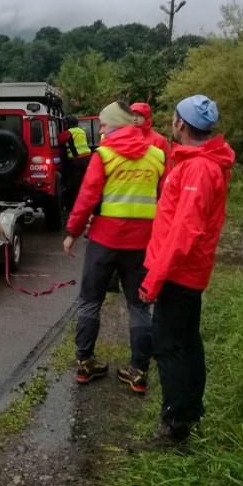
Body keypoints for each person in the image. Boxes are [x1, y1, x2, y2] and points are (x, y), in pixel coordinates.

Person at [138, 95, 235, 446]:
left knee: (169, 348)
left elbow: (184, 232)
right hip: (186, 272)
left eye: (173, 118)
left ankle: (175, 425)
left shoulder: (198, 168)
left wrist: (154, 278)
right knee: (188, 343)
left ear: (180, 124)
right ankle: (190, 412)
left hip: (178, 273)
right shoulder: (200, 161)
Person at [63, 101, 166, 393]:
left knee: (90, 300)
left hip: (103, 242)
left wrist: (72, 231)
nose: (102, 129)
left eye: (105, 124)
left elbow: (87, 197)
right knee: (139, 306)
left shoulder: (104, 155)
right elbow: (164, 200)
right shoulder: (157, 156)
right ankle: (138, 372)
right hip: (141, 244)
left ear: (116, 125)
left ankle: (85, 363)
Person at [58, 114, 92, 210]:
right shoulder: (81, 131)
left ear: (68, 124)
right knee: (83, 182)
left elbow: (59, 139)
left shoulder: (68, 133)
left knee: (75, 185)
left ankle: (75, 206)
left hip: (77, 161)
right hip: (87, 159)